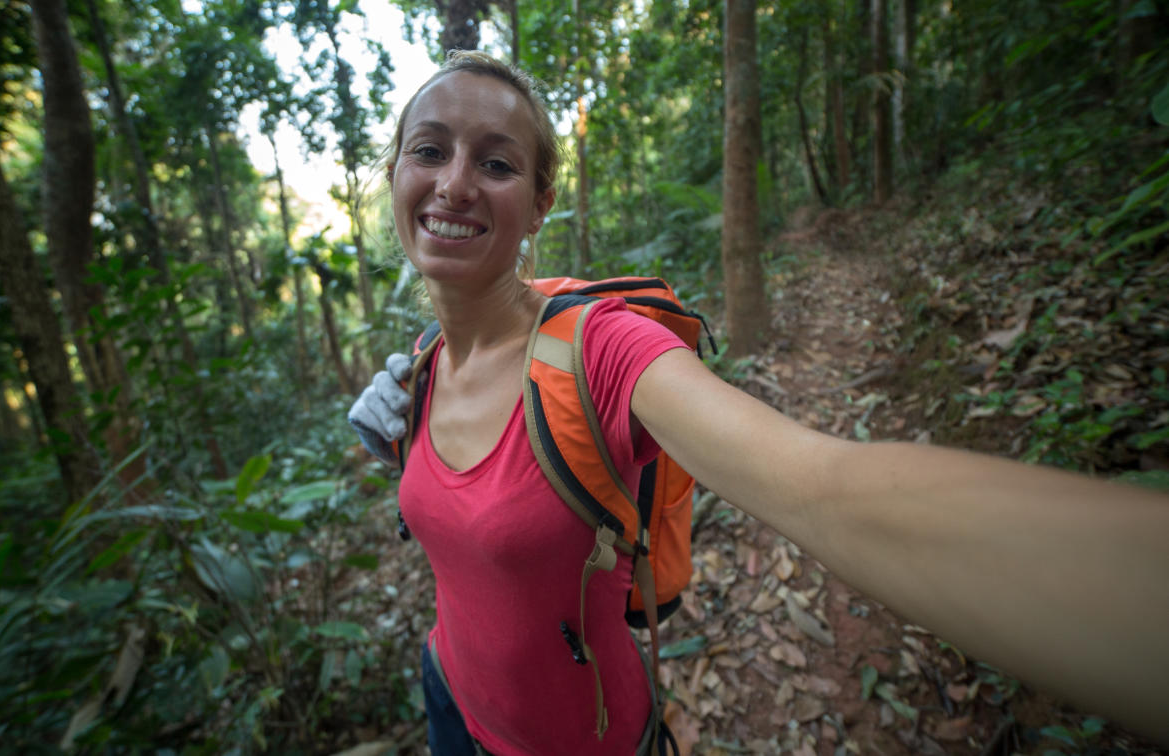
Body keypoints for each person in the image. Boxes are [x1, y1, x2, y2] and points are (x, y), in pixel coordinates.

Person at [348, 50, 1169, 755]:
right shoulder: (421, 364)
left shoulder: (599, 350)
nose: (454, 183)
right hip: (448, 691)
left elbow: (823, 487)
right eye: (429, 151)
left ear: (539, 203)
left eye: (495, 163)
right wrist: (402, 441)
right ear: (395, 175)